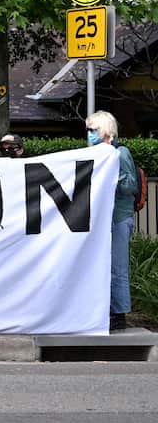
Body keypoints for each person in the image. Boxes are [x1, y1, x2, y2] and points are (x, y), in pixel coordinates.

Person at [85, 111, 139, 332]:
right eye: (88, 130)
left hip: (118, 218)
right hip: (102, 220)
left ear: (105, 130)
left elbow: (130, 186)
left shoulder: (120, 153)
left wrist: (111, 174)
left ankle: (119, 313)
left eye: (93, 130)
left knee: (117, 267)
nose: (89, 134)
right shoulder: (98, 154)